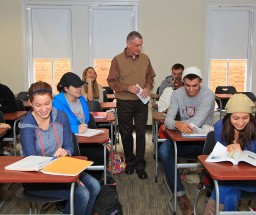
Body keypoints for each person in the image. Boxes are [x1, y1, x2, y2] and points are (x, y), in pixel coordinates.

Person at [18, 81, 100, 215]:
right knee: (82, 194)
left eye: (47, 103)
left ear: (52, 100)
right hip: (35, 178)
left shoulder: (61, 116)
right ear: (31, 103)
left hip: (62, 168)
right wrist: (65, 174)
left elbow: (69, 145)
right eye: (38, 105)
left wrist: (66, 151)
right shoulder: (26, 125)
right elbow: (32, 161)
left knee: (95, 186)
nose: (44, 109)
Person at [159, 66, 215, 215]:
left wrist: (178, 124)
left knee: (218, 150)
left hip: (203, 143)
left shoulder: (208, 94)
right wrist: (177, 124)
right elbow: (168, 121)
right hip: (182, 140)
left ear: (200, 82)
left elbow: (196, 122)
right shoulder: (177, 93)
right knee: (163, 150)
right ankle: (181, 195)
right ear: (183, 82)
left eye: (195, 86)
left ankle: (211, 191)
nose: (191, 90)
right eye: (187, 85)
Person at [205, 94, 256, 214]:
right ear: (229, 116)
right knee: (230, 196)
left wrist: (244, 153)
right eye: (236, 118)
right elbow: (219, 153)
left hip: (253, 178)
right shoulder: (220, 126)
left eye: (245, 118)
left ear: (250, 116)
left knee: (222, 188)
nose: (240, 123)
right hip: (227, 175)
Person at [107, 31, 156, 180]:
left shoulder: (145, 59)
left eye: (141, 45)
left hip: (141, 102)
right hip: (124, 102)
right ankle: (130, 162)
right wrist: (127, 87)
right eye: (136, 45)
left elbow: (150, 78)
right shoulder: (117, 60)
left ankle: (140, 165)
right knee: (126, 133)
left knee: (141, 133)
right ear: (128, 44)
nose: (139, 48)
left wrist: (147, 88)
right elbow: (111, 81)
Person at [53, 72, 105, 179]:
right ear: (66, 89)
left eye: (80, 85)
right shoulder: (57, 103)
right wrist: (76, 128)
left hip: (83, 137)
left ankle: (93, 180)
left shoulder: (81, 99)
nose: (80, 88)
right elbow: (57, 126)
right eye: (76, 86)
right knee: (99, 154)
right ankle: (89, 180)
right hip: (68, 144)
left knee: (103, 151)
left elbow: (85, 119)